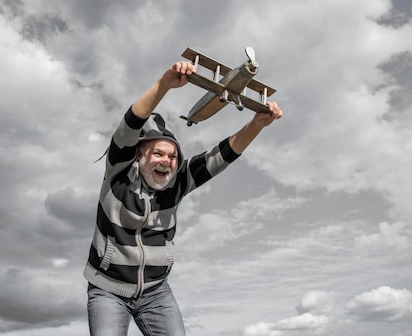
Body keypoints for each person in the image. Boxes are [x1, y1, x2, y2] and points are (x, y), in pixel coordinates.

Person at [84, 61, 283, 336]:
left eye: (172, 155)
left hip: (156, 293)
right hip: (108, 289)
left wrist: (257, 124)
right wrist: (164, 83)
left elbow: (221, 156)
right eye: (158, 153)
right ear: (140, 156)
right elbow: (129, 126)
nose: (166, 160)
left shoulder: (177, 182)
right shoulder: (118, 174)